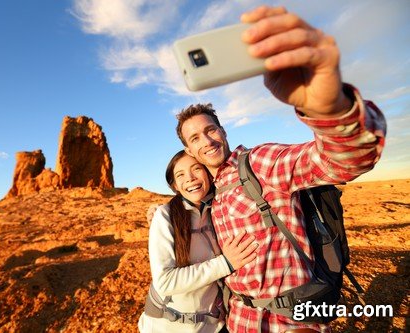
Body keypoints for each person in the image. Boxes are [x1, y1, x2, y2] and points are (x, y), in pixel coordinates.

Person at [174, 5, 387, 333]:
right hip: (239, 320)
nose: (207, 141)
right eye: (195, 138)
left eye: (210, 130)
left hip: (292, 320)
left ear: (223, 130)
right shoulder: (207, 194)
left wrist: (330, 109)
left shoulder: (259, 164)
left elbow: (342, 160)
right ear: (189, 150)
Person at [138, 150, 259, 333]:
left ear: (208, 174)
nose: (190, 178)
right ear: (175, 186)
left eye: (196, 169)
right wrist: (225, 263)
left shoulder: (218, 210)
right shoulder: (165, 216)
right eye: (180, 175)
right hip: (167, 328)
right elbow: (165, 281)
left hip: (214, 326)